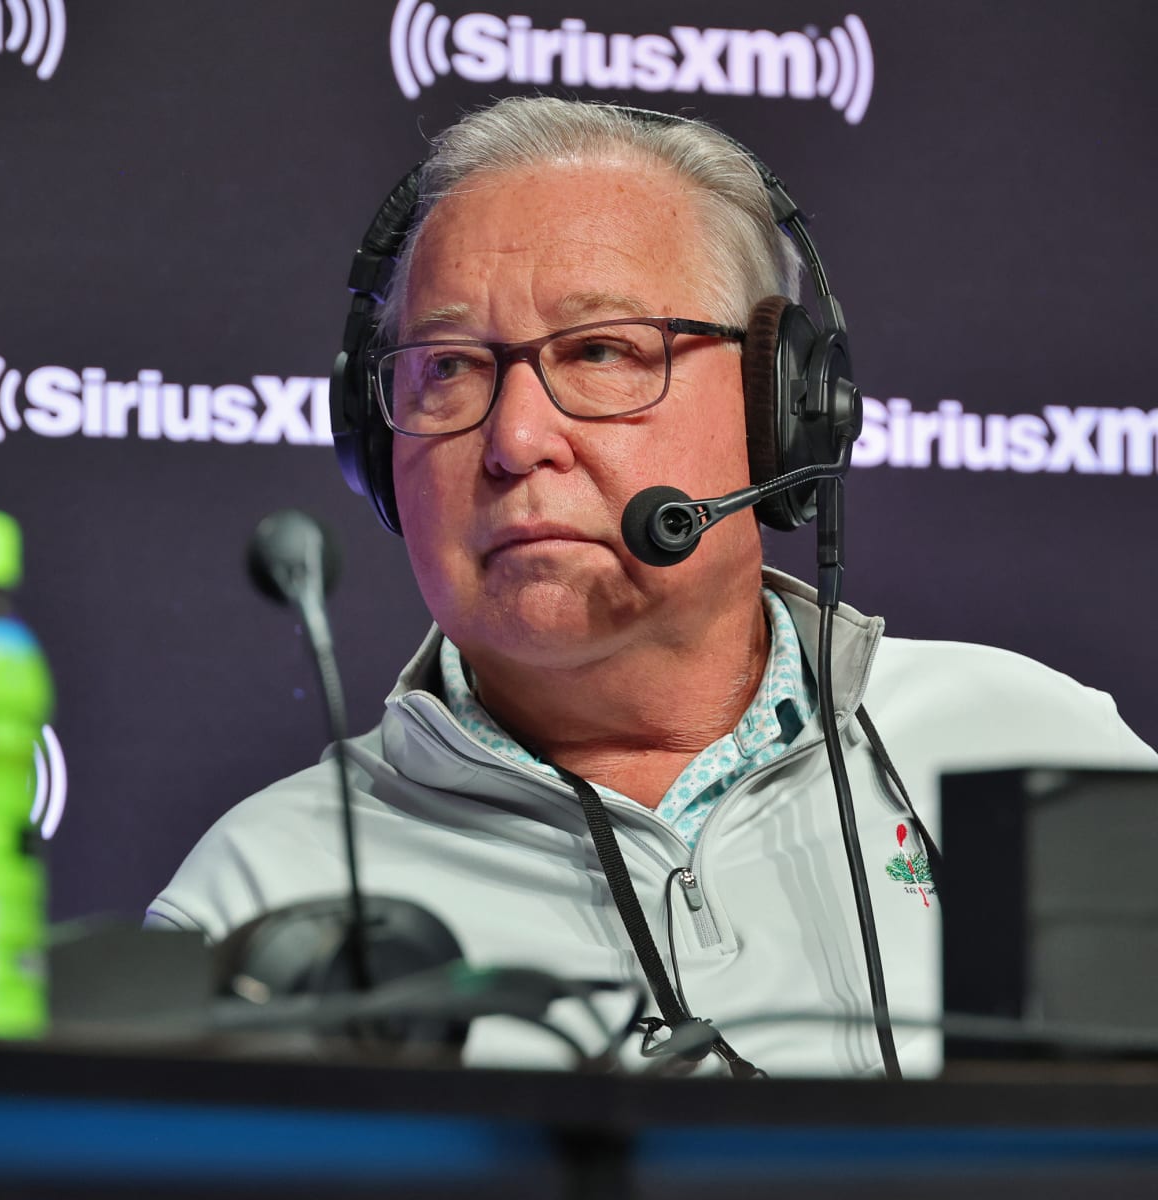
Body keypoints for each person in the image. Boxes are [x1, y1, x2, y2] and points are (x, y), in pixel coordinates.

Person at [147, 97, 1156, 1077]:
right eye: (449, 368)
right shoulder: (261, 900)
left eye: (600, 352)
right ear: (376, 442)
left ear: (782, 410)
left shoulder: (1038, 756)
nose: (515, 441)